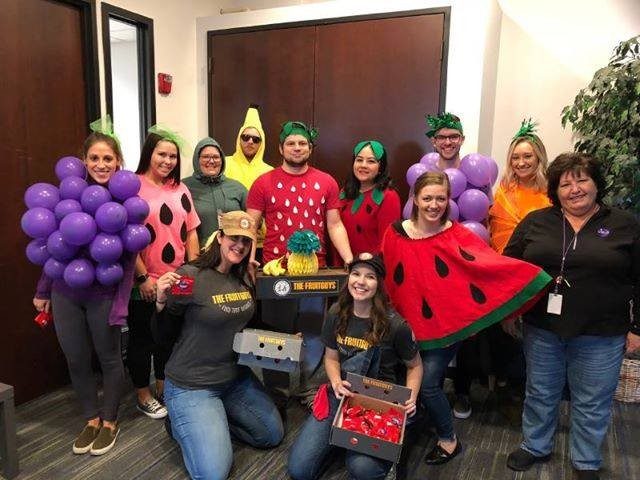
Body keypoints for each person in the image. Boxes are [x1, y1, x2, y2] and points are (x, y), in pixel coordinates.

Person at [381, 171, 551, 465]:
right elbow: (387, 274)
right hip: (405, 325)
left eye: (441, 198)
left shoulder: (456, 233)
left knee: (430, 383)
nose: (434, 204)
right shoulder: (395, 232)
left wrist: (527, 277)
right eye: (427, 198)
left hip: (446, 327)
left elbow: (487, 266)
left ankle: (449, 440)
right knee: (403, 378)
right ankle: (415, 422)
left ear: (448, 201)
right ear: (415, 200)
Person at [503, 153, 640, 480]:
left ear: (596, 184)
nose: (574, 189)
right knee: (540, 390)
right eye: (565, 183)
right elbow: (509, 268)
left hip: (602, 332)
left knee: (593, 399)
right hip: (542, 328)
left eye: (582, 180)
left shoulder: (625, 224)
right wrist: (509, 311)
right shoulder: (536, 222)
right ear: (555, 190)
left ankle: (586, 460)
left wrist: (637, 327)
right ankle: (535, 445)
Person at [155, 211, 283, 480]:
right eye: (234, 238)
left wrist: (288, 336)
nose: (240, 245)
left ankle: (212, 423)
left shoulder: (244, 276)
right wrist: (159, 302)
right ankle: (180, 422)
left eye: (246, 241)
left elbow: (248, 323)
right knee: (213, 474)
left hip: (234, 378)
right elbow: (163, 335)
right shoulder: (189, 276)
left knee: (270, 435)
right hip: (193, 384)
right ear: (220, 237)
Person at [32, 120, 134, 455]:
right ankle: (91, 419)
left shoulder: (125, 200)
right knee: (75, 359)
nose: (101, 165)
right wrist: (44, 290)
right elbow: (53, 247)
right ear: (84, 161)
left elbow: (129, 262)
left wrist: (120, 306)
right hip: (65, 293)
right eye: (94, 158)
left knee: (108, 358)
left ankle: (110, 421)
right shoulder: (67, 195)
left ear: (118, 161)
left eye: (108, 158)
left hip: (103, 296)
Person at [246, 120, 354, 406]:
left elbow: (335, 224)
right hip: (275, 273)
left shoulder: (327, 182)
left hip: (313, 272)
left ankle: (309, 389)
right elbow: (249, 226)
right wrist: (247, 260)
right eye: (291, 143)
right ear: (281, 147)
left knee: (313, 331)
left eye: (302, 143)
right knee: (275, 332)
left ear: (310, 148)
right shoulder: (262, 183)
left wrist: (349, 259)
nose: (297, 147)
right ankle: (277, 391)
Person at [288, 253, 422, 480]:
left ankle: (386, 459)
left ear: (379, 284)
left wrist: (411, 397)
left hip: (377, 403)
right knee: (299, 471)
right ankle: (340, 437)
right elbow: (331, 357)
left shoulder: (396, 325)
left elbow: (415, 366)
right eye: (356, 274)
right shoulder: (336, 313)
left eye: (370, 277)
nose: (360, 281)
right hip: (340, 396)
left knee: (362, 469)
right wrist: (336, 381)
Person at [128, 127, 200, 420]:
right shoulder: (131, 187)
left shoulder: (180, 188)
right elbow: (126, 235)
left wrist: (192, 270)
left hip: (177, 278)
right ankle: (142, 394)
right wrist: (143, 277)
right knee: (142, 338)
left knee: (168, 337)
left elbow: (191, 230)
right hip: (144, 280)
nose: (168, 161)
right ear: (149, 153)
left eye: (173, 156)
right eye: (162, 154)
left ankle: (162, 386)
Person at [489, 119, 551, 254]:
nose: (521, 163)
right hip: (503, 263)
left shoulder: (552, 193)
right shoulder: (503, 190)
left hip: (538, 265)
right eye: (515, 157)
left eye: (527, 156)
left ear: (539, 158)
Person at [336, 140, 401, 259]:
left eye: (371, 161)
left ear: (380, 167)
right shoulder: (344, 193)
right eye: (359, 160)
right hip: (340, 267)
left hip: (369, 269)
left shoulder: (388, 196)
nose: (363, 165)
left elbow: (387, 242)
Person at [226, 105, 273, 259]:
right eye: (245, 137)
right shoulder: (225, 165)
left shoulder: (270, 172)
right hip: (230, 242)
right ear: (239, 138)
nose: (250, 142)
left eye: (256, 139)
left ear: (262, 142)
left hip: (261, 244)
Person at [183, 137, 247, 247]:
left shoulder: (237, 188)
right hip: (197, 257)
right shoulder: (183, 187)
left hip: (233, 256)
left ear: (222, 160)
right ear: (196, 160)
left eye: (216, 157)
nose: (211, 161)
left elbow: (253, 221)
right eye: (205, 157)